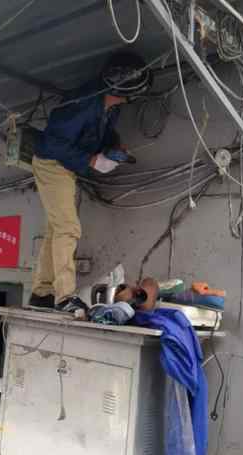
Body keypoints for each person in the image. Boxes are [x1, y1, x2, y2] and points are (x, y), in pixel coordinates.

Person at [29, 51, 153, 311]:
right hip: (51, 163)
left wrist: (115, 146)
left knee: (56, 229)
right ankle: (64, 297)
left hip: (65, 166)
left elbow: (105, 132)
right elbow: (53, 143)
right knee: (69, 228)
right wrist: (92, 160)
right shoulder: (81, 105)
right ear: (125, 92)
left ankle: (41, 293)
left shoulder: (110, 106)